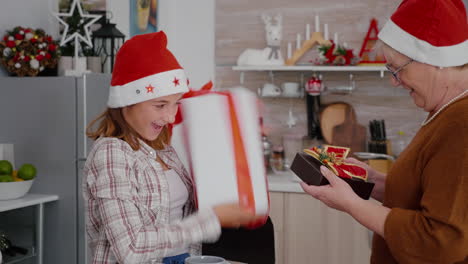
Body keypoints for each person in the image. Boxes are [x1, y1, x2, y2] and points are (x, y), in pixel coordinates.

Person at [300, 0, 468, 263]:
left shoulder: (462, 123)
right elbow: (428, 195)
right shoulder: (445, 112)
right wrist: (372, 181)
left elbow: (440, 241)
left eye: (397, 69)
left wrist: (353, 205)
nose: (394, 81)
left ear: (435, 61)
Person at [83, 31, 257, 264]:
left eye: (175, 104)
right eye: (160, 105)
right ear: (127, 102)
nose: (169, 116)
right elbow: (130, 250)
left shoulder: (163, 149)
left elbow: (183, 212)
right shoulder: (112, 153)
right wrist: (212, 219)